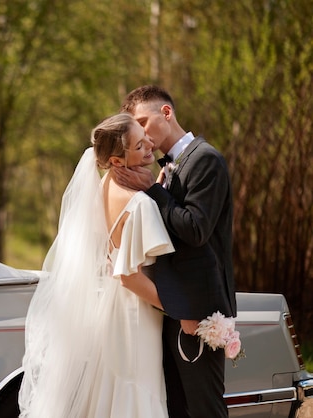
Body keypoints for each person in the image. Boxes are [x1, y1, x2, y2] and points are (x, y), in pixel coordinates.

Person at [19, 113, 175, 418]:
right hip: (136, 314)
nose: (150, 148)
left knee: (111, 389)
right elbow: (130, 277)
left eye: (147, 141)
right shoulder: (139, 205)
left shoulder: (102, 186)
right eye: (139, 146)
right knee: (137, 390)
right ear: (117, 161)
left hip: (109, 310)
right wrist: (176, 308)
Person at [114, 85, 237, 418]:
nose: (141, 132)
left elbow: (196, 229)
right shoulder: (165, 167)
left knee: (205, 409)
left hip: (200, 311)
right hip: (172, 307)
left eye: (143, 120)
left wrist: (153, 189)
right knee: (178, 409)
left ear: (166, 113)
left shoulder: (206, 159)